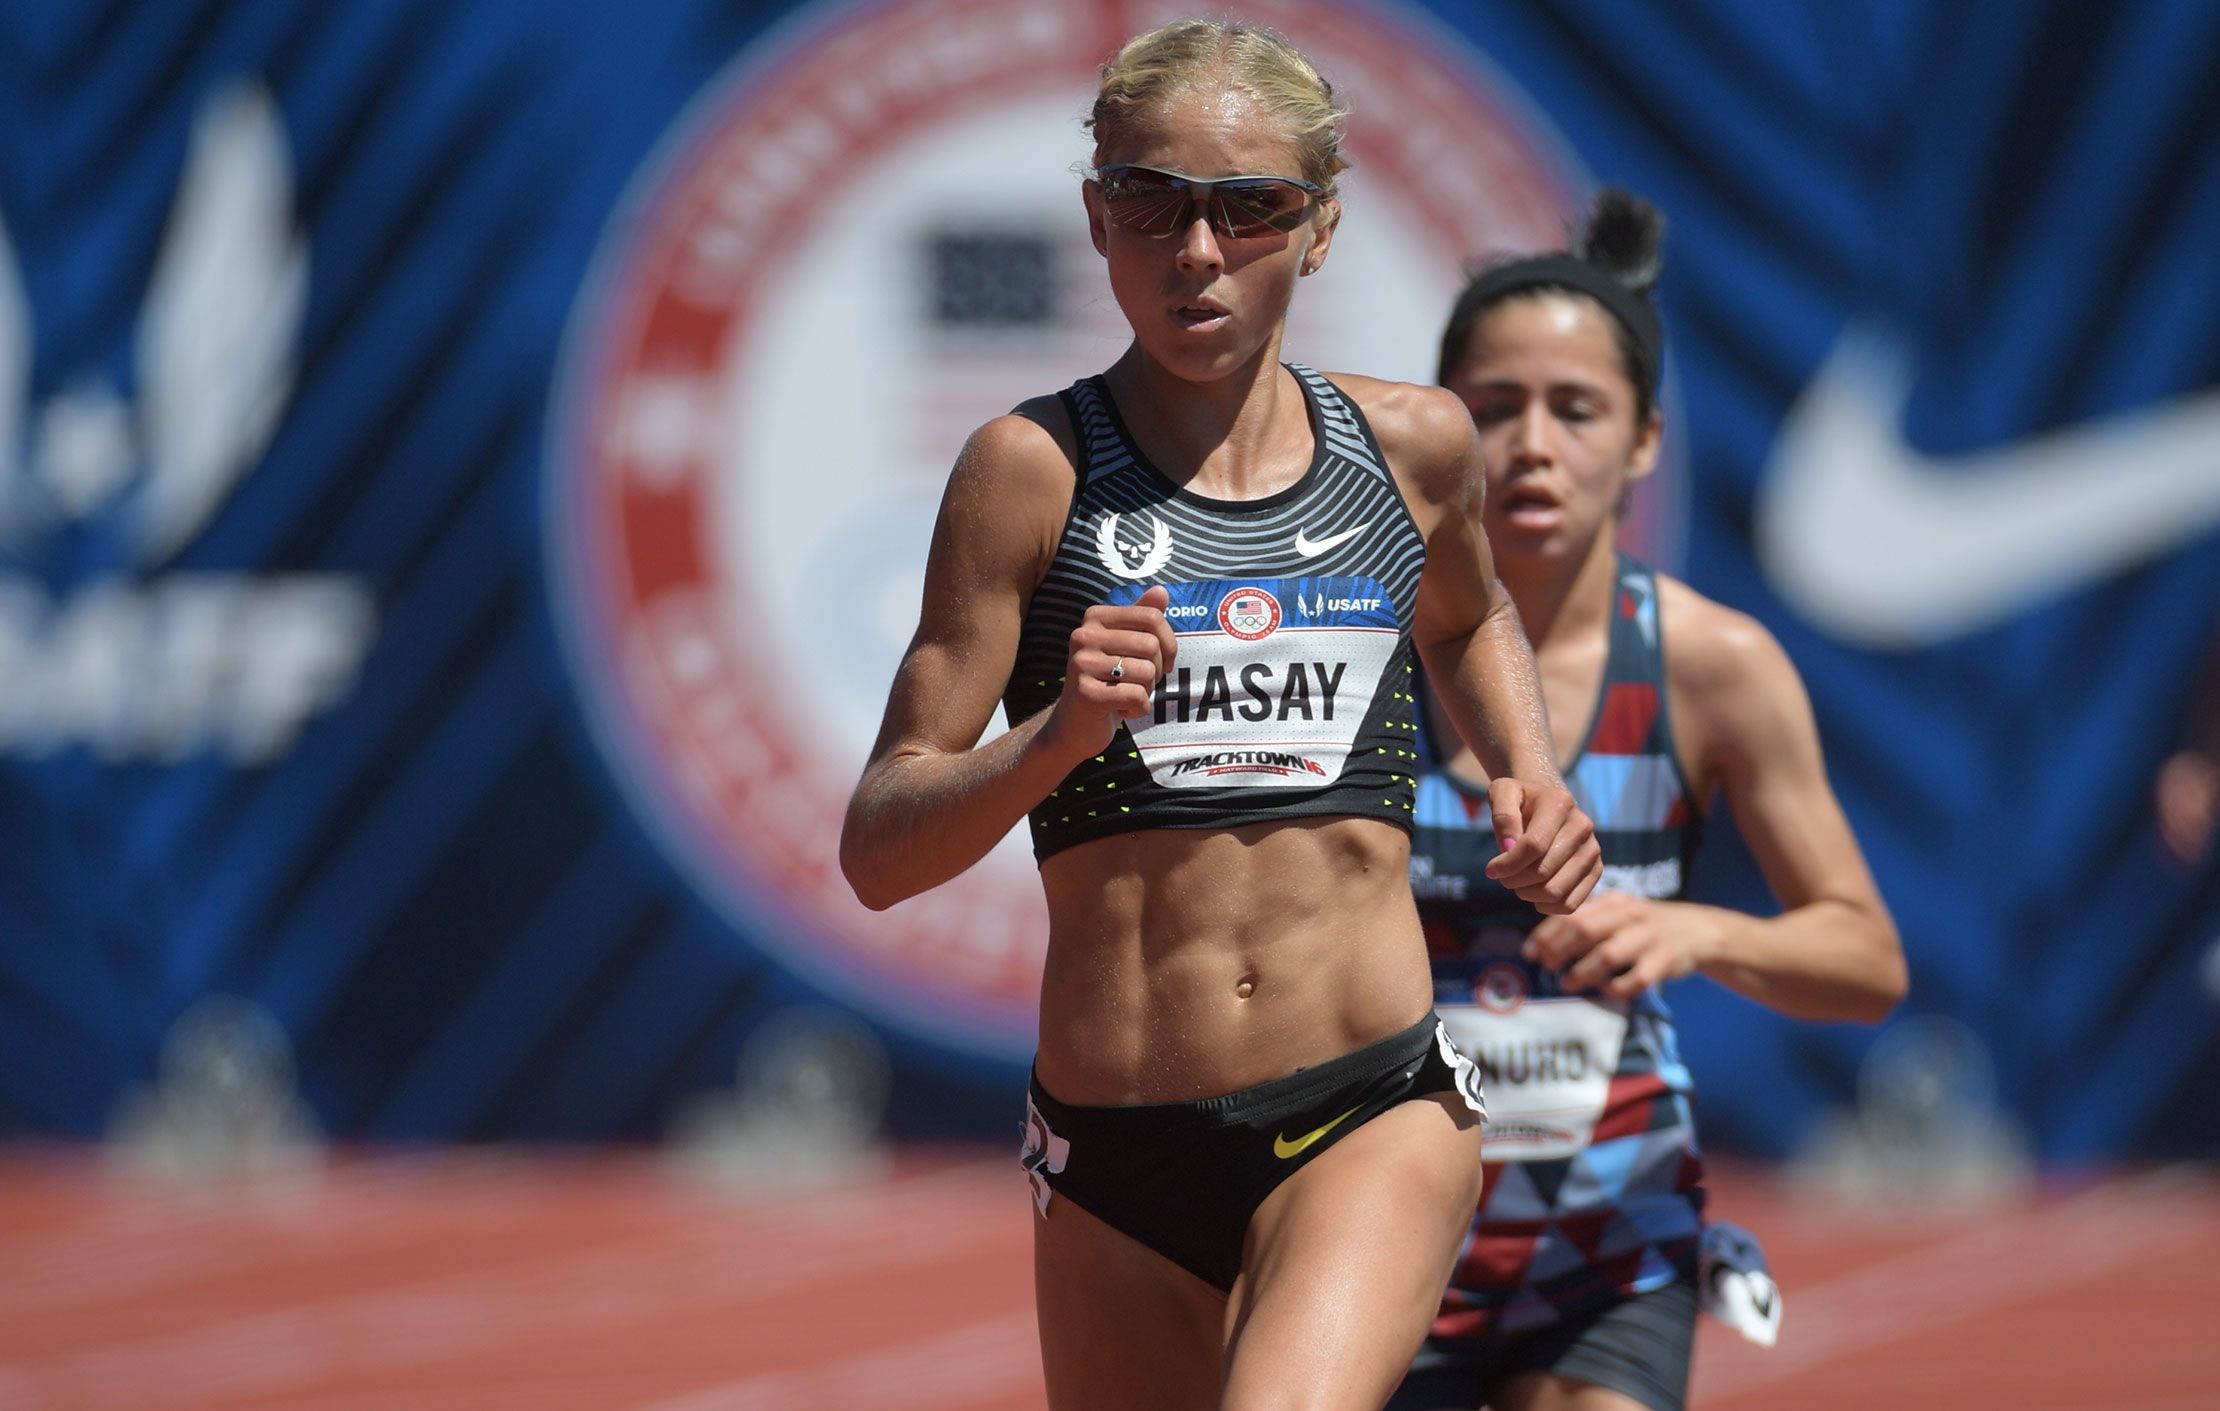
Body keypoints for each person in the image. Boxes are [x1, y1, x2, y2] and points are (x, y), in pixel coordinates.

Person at [840, 19, 1604, 1411]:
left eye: (1249, 207)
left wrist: (1530, 771)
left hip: (1368, 1105)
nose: (1196, 251)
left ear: (1318, 229)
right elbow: (880, 849)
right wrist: (1054, 737)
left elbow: (1470, 612)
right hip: (1112, 1158)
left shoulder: (1412, 447)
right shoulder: (1030, 472)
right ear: (1097, 217)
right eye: (1151, 201)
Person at [1387, 191, 1908, 1411]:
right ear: (1442, 430)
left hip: (1607, 1242)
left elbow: (1867, 960)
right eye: (1494, 406)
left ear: (1643, 442)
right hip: (1376, 1231)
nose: (1532, 444)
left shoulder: (1708, 666)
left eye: (1576, 409)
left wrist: (1695, 930)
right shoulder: (1358, 657)